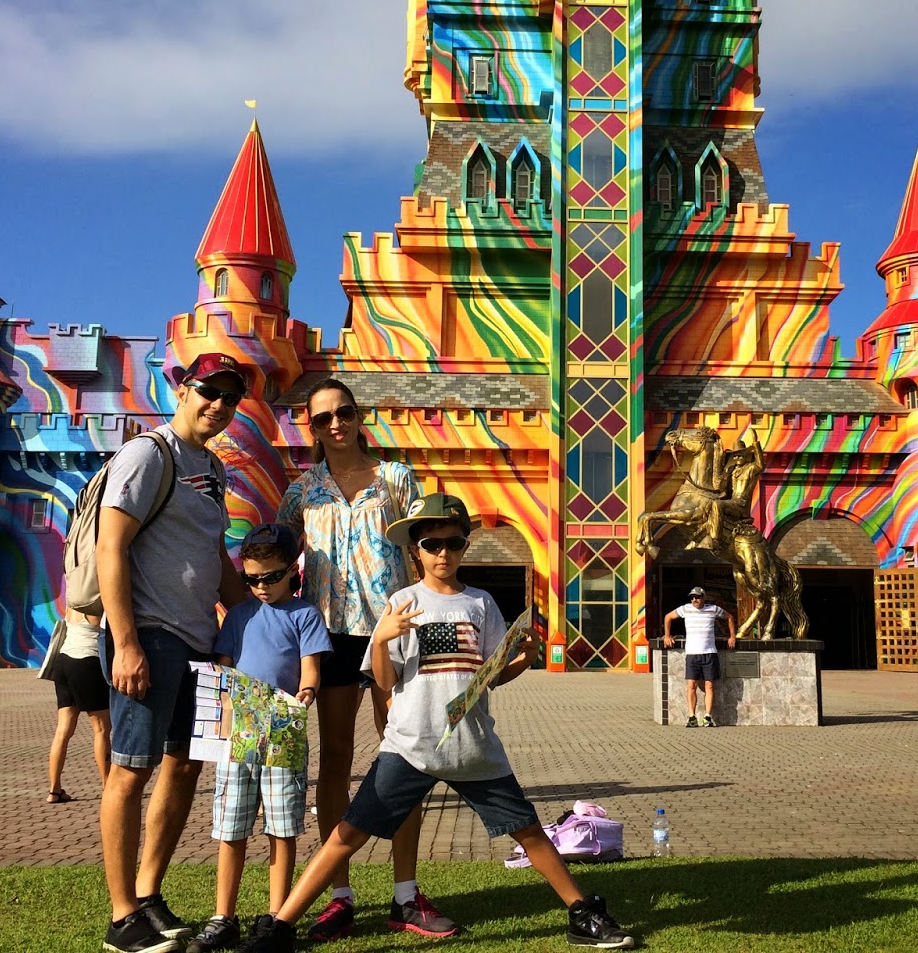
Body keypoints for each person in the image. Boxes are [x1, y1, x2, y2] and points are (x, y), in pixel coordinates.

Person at [232, 493, 635, 953]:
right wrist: (381, 639)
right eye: (432, 544)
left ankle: (582, 915)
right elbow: (383, 681)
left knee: (528, 830)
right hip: (411, 745)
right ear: (414, 550)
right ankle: (280, 927)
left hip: (475, 746)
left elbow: (490, 676)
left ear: (465, 547)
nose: (443, 553)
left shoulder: (481, 603)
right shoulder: (403, 602)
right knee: (347, 835)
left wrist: (522, 659)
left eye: (454, 543)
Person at [275, 377, 443, 940]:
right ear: (312, 427)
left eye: (343, 412)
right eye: (322, 419)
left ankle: (404, 893)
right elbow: (275, 564)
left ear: (358, 413)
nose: (335, 424)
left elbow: (424, 549)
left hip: (394, 631)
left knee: (405, 757)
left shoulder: (396, 478)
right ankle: (339, 895)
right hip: (329, 636)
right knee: (335, 761)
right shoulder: (301, 492)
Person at [97, 351, 254, 953]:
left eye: (230, 398)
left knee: (184, 768)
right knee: (129, 770)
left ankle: (148, 893)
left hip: (199, 641)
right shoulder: (146, 453)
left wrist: (256, 626)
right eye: (209, 391)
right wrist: (128, 641)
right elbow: (113, 547)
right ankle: (120, 918)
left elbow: (216, 561)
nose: (219, 405)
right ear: (183, 388)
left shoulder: (212, 469)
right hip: (151, 634)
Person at [187, 525, 332, 953]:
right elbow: (224, 671)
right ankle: (223, 916)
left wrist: (307, 691)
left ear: (292, 571)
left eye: (271, 577)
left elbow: (311, 669)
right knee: (231, 829)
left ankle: (276, 915)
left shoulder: (305, 615)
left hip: (284, 736)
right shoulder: (237, 616)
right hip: (237, 738)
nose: (262, 587)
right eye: (252, 579)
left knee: (282, 830)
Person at [47, 608, 112, 803]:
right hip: (88, 662)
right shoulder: (96, 605)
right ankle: (108, 786)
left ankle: (54, 789)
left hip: (64, 660)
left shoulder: (72, 602)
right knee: (101, 729)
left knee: (63, 730)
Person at [662, 586, 736, 727]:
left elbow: (729, 617)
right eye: (692, 597)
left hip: (709, 653)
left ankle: (707, 717)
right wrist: (667, 635)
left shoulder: (713, 609)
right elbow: (668, 617)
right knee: (691, 685)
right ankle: (692, 717)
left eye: (697, 597)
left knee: (709, 685)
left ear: (703, 597)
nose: (694, 600)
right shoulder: (685, 609)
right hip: (692, 653)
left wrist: (732, 636)